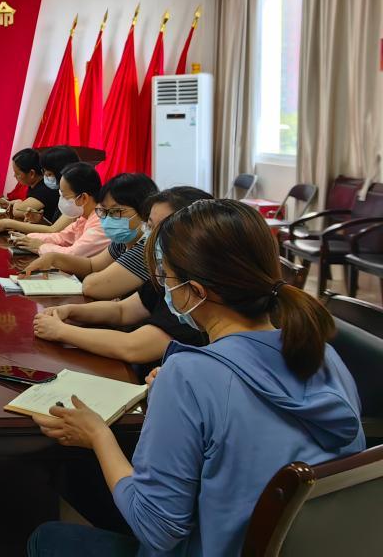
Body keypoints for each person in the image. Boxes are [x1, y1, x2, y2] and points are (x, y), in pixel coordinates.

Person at [28, 199, 365, 557]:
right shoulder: (322, 354)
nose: (164, 289)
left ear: (196, 292)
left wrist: (98, 435)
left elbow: (157, 530)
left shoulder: (189, 376)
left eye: (166, 278)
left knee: (48, 535)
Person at [31, 186, 212, 365]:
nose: (150, 237)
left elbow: (133, 347)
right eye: (150, 226)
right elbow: (122, 311)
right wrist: (70, 310)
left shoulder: (195, 290)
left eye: (161, 229)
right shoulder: (165, 274)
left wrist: (61, 331)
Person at [19, 173, 158, 286]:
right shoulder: (121, 242)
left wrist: (44, 249)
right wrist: (53, 257)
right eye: (104, 210)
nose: (108, 218)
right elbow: (91, 265)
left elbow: (93, 286)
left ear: (145, 212)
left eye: (116, 211)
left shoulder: (144, 250)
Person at [10, 162, 109, 258]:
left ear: (83, 198)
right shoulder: (85, 215)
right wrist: (29, 238)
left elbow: (73, 254)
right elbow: (62, 237)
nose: (62, 200)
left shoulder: (101, 223)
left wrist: (41, 246)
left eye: (65, 196)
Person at [0, 145, 80, 234]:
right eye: (44, 172)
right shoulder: (63, 194)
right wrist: (41, 220)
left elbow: (53, 230)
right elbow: (55, 227)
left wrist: (8, 223)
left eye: (49, 174)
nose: (46, 177)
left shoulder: (77, 199)